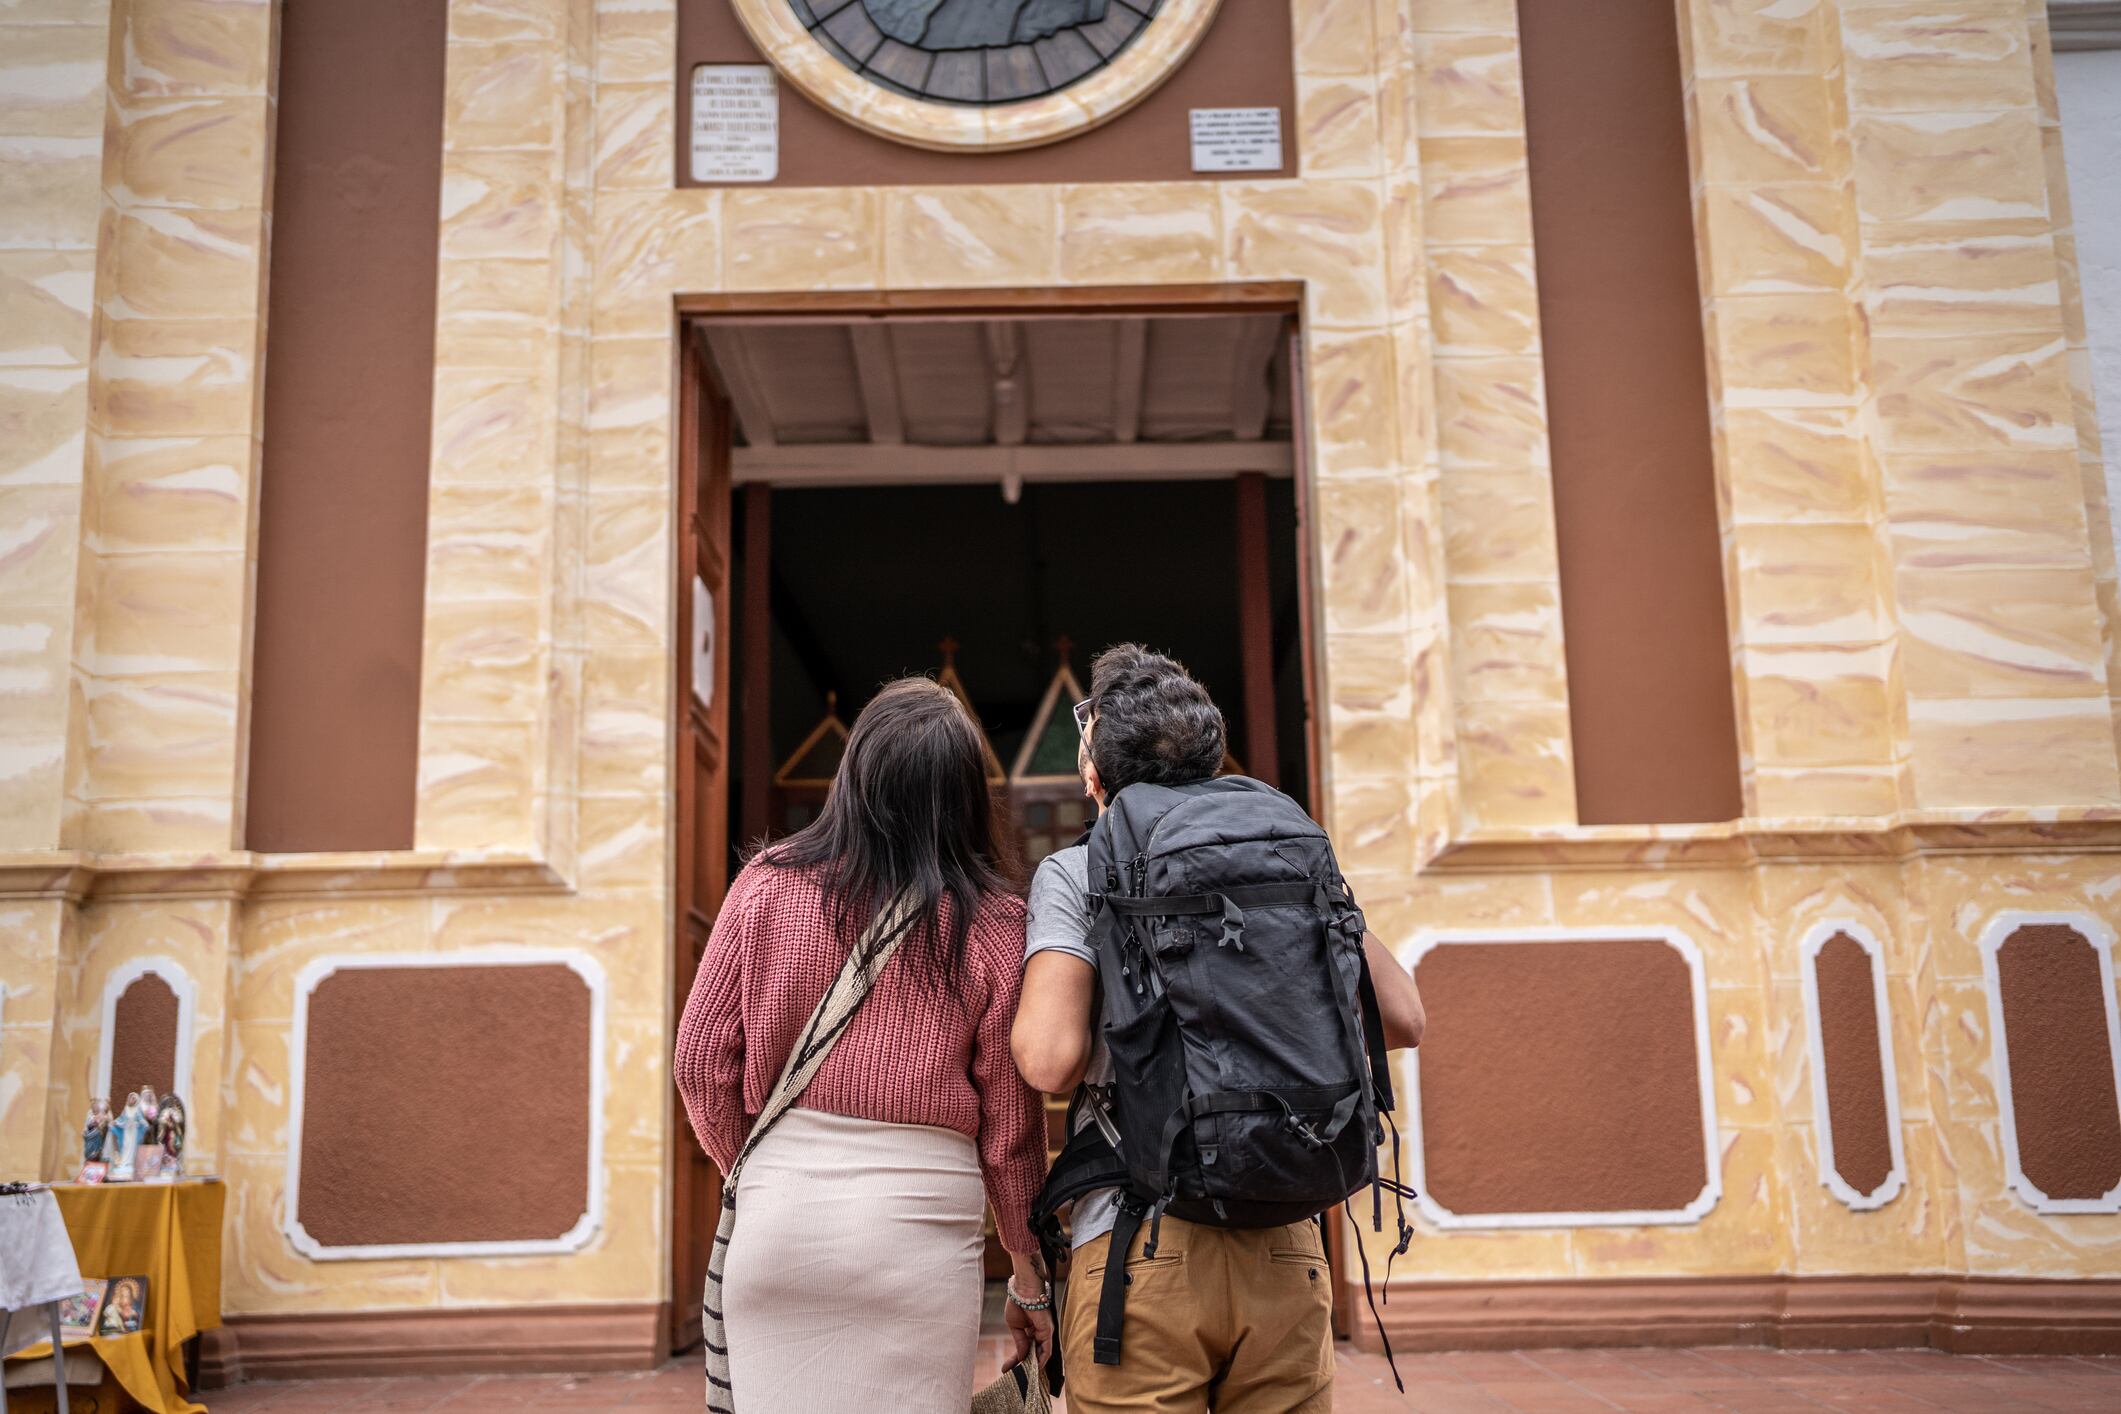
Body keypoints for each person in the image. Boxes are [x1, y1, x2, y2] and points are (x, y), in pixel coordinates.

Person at [1012, 644, 1426, 1413]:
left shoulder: (1075, 873)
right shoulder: (1291, 854)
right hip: (1287, 1244)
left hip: (1141, 1247)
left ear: (1094, 775)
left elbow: (1048, 1059)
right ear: (1210, 760)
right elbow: (1403, 1018)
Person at [674, 676, 1053, 1412]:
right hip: (916, 1240)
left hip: (777, 1220)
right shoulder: (998, 925)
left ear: (854, 777)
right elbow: (1011, 1134)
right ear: (967, 794)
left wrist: (758, 1174)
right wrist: (1029, 1280)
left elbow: (699, 1063)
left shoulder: (765, 884)